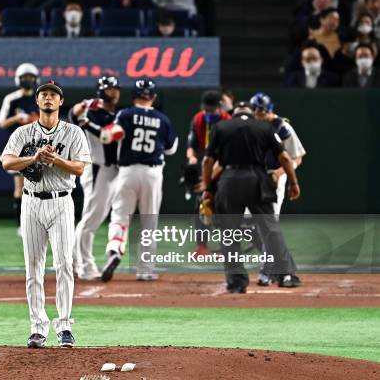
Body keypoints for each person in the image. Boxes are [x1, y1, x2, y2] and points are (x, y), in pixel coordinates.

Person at [0, 80, 91, 348]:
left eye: (53, 95)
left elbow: (80, 168)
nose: (48, 99)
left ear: (61, 102)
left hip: (62, 202)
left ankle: (64, 326)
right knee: (33, 268)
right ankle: (38, 327)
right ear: (37, 102)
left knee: (64, 264)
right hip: (30, 203)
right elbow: (7, 162)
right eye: (44, 95)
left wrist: (56, 160)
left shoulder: (73, 133)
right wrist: (35, 158)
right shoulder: (22, 132)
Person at [200, 102, 302, 294]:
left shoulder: (220, 127)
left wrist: (207, 188)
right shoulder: (264, 127)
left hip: (229, 181)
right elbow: (286, 158)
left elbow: (208, 161)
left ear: (234, 115)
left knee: (229, 232)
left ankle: (236, 281)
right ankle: (286, 275)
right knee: (270, 229)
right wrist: (294, 182)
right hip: (257, 180)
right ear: (251, 114)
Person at [99, 78, 178, 282]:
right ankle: (144, 269)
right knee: (149, 222)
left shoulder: (124, 115)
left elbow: (109, 136)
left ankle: (115, 249)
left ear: (133, 96)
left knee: (120, 216)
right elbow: (171, 148)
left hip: (127, 171)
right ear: (153, 97)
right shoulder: (163, 119)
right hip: (152, 173)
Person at [250, 93, 306, 286]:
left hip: (274, 180)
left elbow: (297, 157)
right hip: (252, 178)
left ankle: (267, 271)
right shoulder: (251, 125)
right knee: (251, 226)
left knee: (268, 225)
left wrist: (281, 173)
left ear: (270, 110)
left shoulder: (282, 127)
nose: (259, 114)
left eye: (262, 111)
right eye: (256, 111)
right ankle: (282, 266)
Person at [68, 76, 121, 281]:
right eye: (110, 89)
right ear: (101, 91)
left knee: (94, 217)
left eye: (116, 89)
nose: (114, 92)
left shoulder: (112, 114)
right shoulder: (94, 111)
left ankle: (73, 261)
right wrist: (85, 104)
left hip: (110, 170)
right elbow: (72, 115)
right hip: (97, 167)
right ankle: (85, 266)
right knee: (91, 218)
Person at [185, 90, 231, 256]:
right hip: (207, 165)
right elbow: (191, 145)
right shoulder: (198, 119)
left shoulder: (228, 121)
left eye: (212, 110)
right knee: (202, 206)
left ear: (220, 107)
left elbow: (226, 156)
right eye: (206, 110)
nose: (209, 113)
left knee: (225, 209)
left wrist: (208, 177)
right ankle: (202, 246)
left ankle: (228, 246)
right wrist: (192, 159)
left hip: (225, 168)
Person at [0, 63, 41, 236]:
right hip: (18, 147)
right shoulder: (11, 99)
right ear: (18, 79)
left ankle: (39, 222)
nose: (27, 81)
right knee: (20, 186)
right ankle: (21, 224)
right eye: (24, 78)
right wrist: (16, 117)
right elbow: (1, 122)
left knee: (41, 186)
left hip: (39, 146)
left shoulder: (40, 97)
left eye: (30, 77)